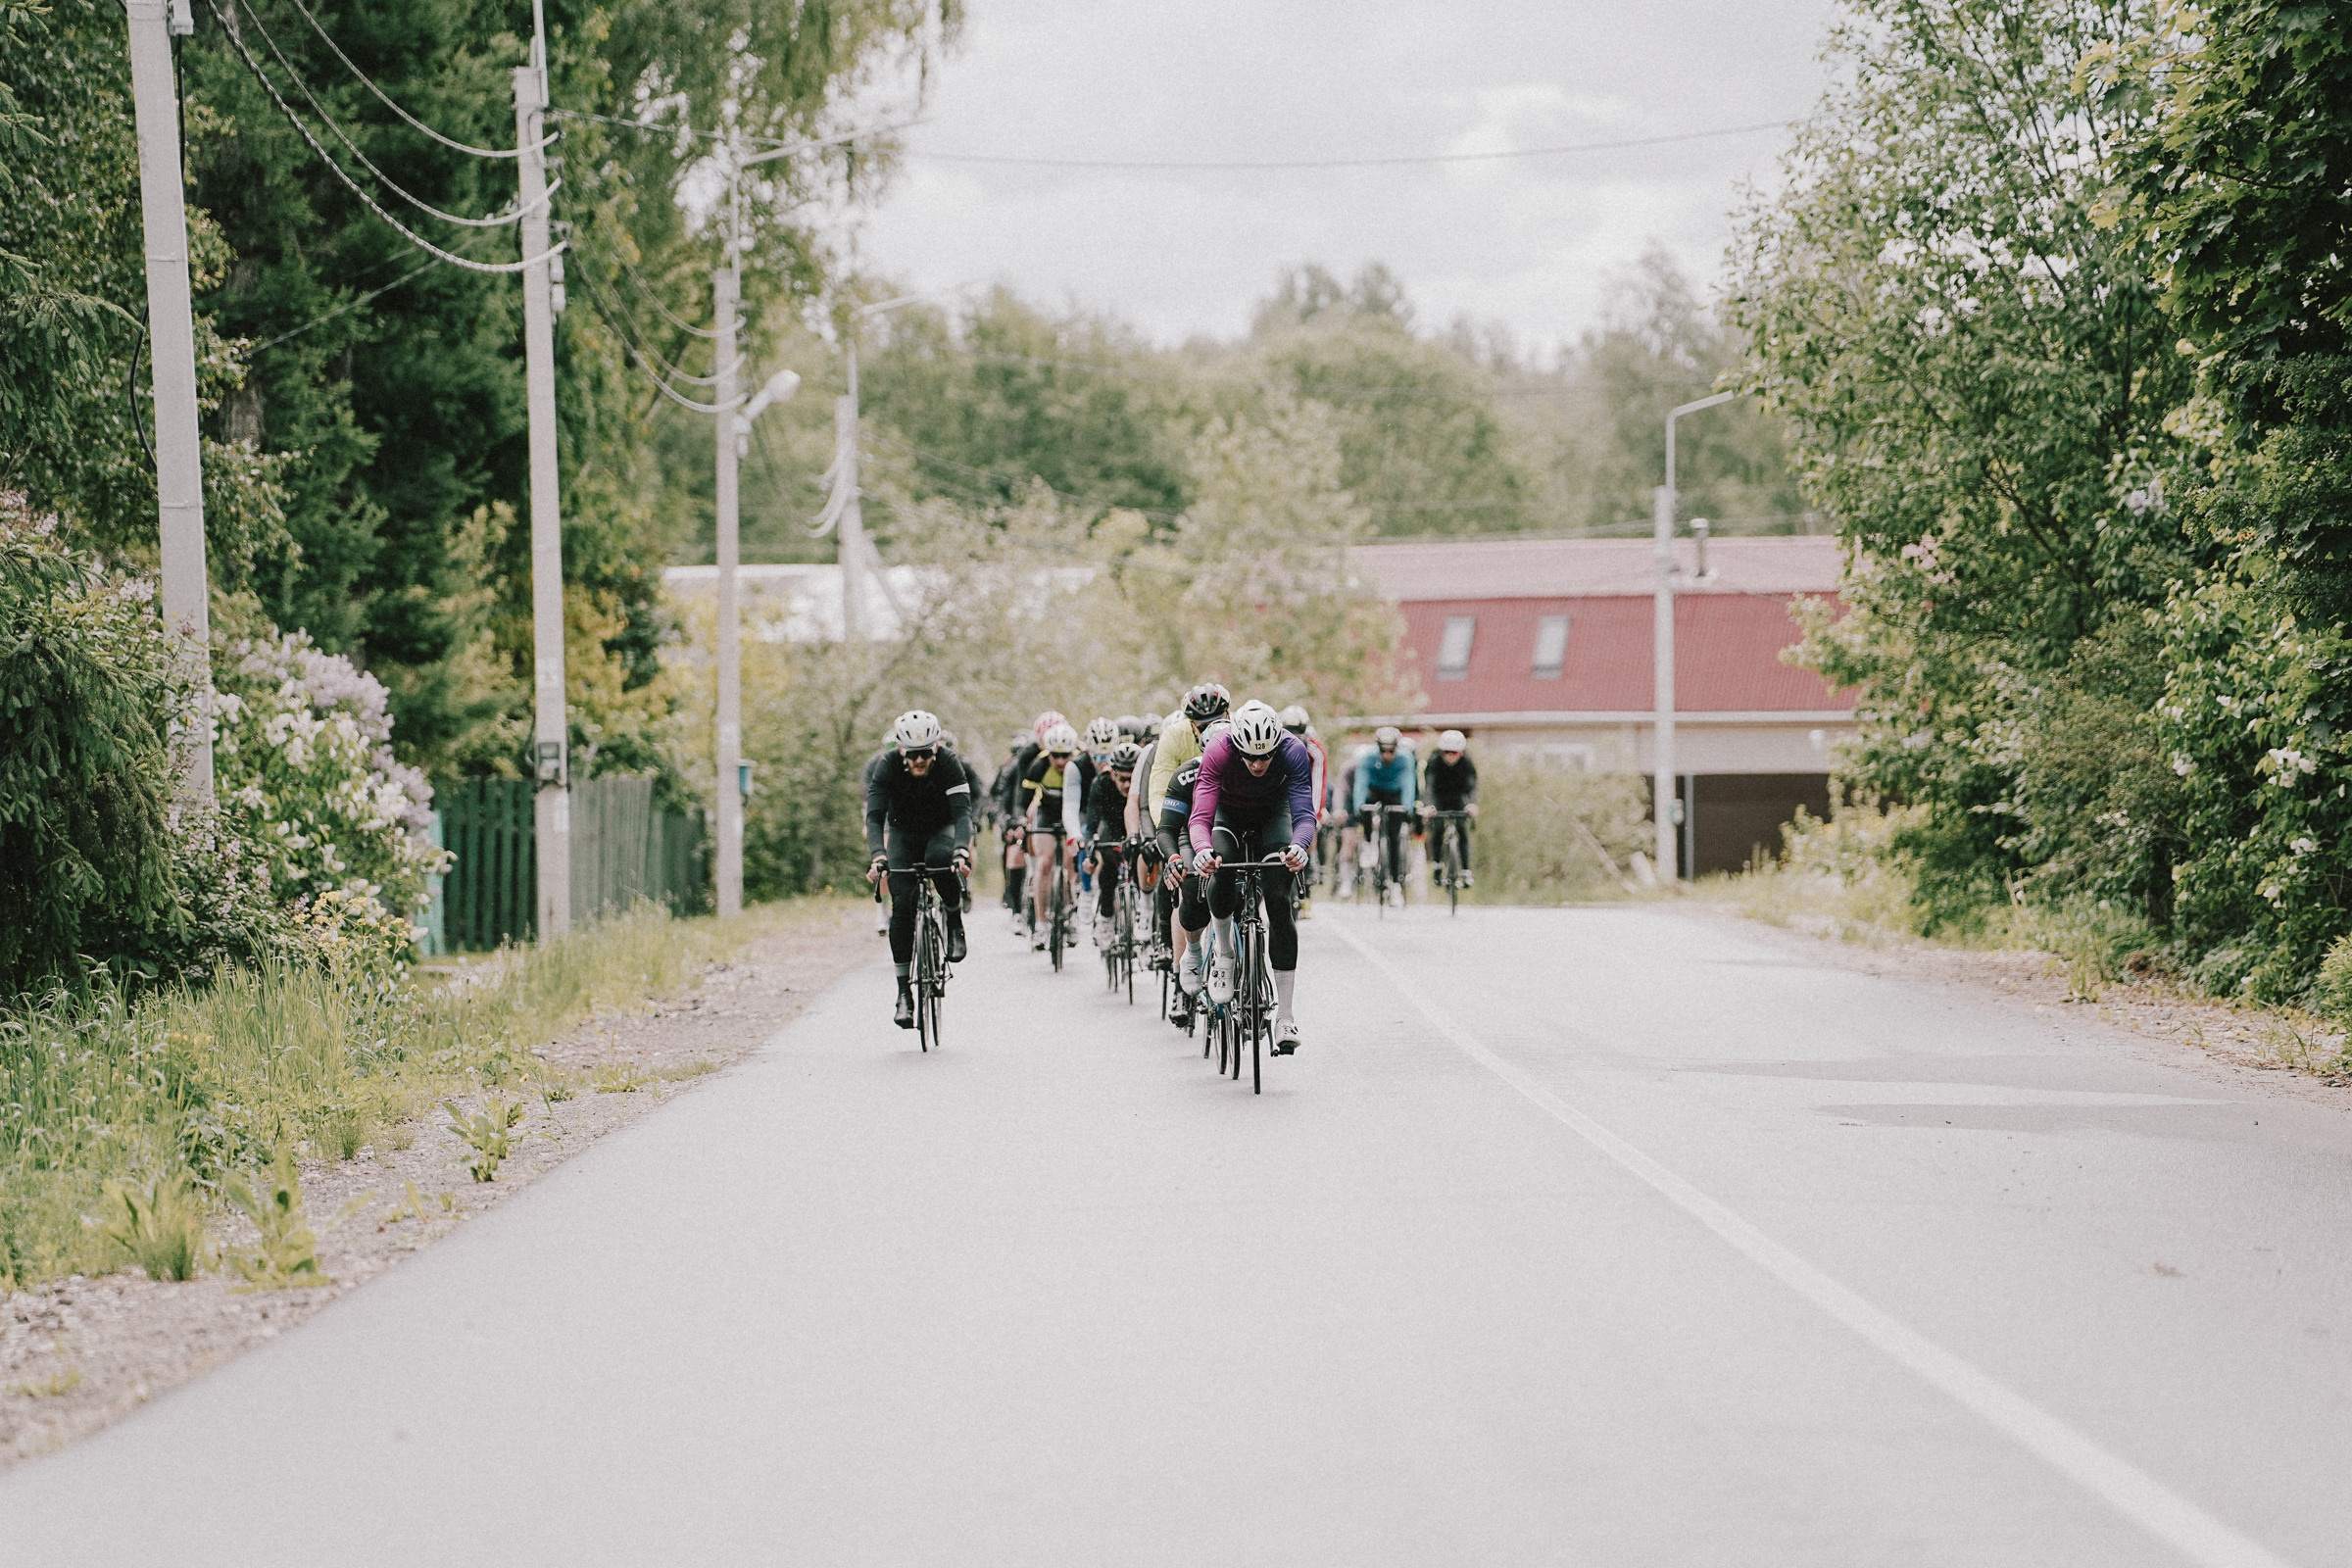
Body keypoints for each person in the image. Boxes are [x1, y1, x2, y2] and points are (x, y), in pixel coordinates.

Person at [1189, 700, 1315, 1054]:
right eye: (1250, 758)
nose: (1258, 764)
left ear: (1277, 746)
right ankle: (1226, 954)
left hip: (1274, 815)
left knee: (1278, 898)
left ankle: (1285, 1017)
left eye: (1265, 757)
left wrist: (1300, 847)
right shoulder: (1219, 749)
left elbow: (1304, 814)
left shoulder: (1293, 750)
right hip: (1227, 816)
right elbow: (1199, 816)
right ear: (1237, 747)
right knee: (1221, 866)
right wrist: (1202, 850)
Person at [863, 710, 973, 1028]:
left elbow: (963, 814)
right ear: (901, 751)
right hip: (902, 834)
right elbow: (874, 817)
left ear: (935, 748)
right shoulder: (886, 767)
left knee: (943, 863)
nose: (920, 761)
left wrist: (962, 851)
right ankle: (903, 993)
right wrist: (878, 856)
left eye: (926, 753)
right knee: (901, 907)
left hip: (941, 828)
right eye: (913, 755)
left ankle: (953, 919)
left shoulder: (950, 763)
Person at [1153, 726, 1224, 1027]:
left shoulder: (1248, 771)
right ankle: (1186, 965)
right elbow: (1167, 828)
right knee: (1190, 885)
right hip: (1190, 833)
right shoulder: (1186, 775)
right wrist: (1173, 860)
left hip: (1228, 832)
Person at [1020, 720, 1089, 948]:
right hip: (1046, 814)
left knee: (1070, 862)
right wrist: (1019, 820)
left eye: (1065, 755)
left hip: (1074, 812)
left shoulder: (1081, 763)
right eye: (1055, 755)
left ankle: (1070, 916)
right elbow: (1022, 800)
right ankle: (1041, 924)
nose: (1060, 761)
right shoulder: (1038, 766)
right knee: (1045, 862)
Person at [997, 711, 1063, 931]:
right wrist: (1017, 820)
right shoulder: (1028, 757)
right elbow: (1019, 792)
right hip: (1033, 801)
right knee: (1019, 850)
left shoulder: (1068, 753)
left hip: (1060, 805)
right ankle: (1020, 905)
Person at [1351, 724, 1418, 906]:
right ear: (1378, 748)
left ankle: (1396, 885)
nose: (1387, 754)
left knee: (1394, 837)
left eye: (1391, 750)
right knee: (1364, 810)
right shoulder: (1368, 758)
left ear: (1398, 747)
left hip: (1395, 793)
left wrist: (1408, 808)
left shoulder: (1405, 758)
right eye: (1383, 750)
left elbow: (1409, 783)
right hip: (1375, 791)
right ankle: (1367, 844)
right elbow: (1360, 784)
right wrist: (1358, 807)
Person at [1084, 741, 1140, 944]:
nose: (1126, 785)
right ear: (1112, 773)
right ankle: (1106, 916)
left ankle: (1145, 915)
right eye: (1122, 779)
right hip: (1112, 830)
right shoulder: (1100, 783)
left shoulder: (1146, 784)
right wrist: (1090, 850)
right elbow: (1091, 825)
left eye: (1131, 779)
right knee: (1107, 863)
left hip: (1136, 828)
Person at [1280, 706, 1329, 917]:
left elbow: (1317, 784)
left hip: (1306, 794)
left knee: (1309, 837)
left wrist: (1315, 815)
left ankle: (1306, 894)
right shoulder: (1275, 745)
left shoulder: (1315, 751)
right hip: (1283, 796)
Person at [1421, 728, 1479, 889]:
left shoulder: (1467, 762)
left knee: (1462, 828)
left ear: (1461, 752)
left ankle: (1466, 870)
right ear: (1441, 751)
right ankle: (1438, 866)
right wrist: (1429, 806)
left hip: (1458, 797)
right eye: (1446, 752)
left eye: (1454, 752)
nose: (1450, 756)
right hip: (1439, 797)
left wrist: (1472, 804)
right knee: (1438, 828)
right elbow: (1429, 787)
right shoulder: (1434, 761)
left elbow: (1472, 786)